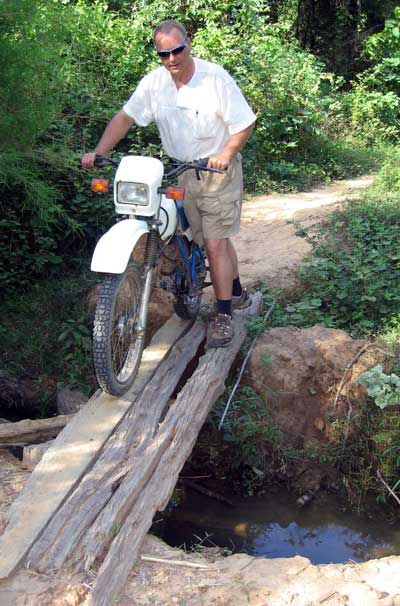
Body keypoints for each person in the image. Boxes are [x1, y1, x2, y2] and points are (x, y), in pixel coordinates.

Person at [82, 19, 256, 348]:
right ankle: (234, 289)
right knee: (201, 236)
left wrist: (225, 153)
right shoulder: (154, 84)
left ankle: (223, 313)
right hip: (178, 170)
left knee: (215, 244)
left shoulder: (214, 78)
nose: (172, 58)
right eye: (164, 54)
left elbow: (244, 123)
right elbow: (125, 117)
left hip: (215, 171)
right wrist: (99, 151)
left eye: (177, 50)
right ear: (158, 55)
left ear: (189, 44)